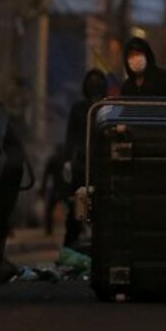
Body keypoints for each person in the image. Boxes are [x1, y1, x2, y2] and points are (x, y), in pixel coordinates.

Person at [59, 69, 108, 248]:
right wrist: (67, 161)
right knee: (76, 209)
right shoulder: (78, 108)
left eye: (98, 81)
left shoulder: (108, 107)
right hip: (81, 165)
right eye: (91, 81)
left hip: (103, 165)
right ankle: (70, 246)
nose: (94, 84)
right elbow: (70, 136)